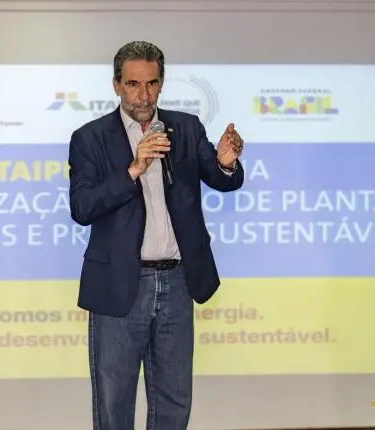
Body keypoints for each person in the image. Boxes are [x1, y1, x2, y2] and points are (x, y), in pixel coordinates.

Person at [68, 40, 245, 430]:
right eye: (133, 84)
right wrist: (133, 169)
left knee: (174, 401)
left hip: (177, 281)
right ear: (116, 85)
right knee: (114, 404)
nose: (143, 95)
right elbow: (82, 208)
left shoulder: (186, 127)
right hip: (119, 285)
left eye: (151, 83)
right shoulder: (90, 138)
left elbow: (220, 178)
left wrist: (225, 163)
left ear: (161, 83)